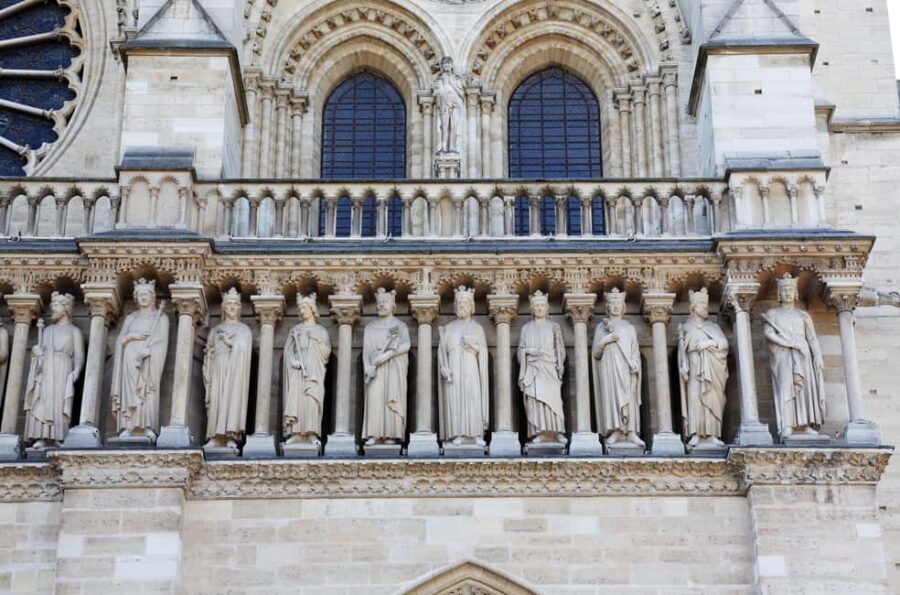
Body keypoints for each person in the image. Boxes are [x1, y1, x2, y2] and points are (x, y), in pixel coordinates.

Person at [762, 274, 826, 439]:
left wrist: (817, 355)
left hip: (803, 354)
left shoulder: (803, 315)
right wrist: (787, 343)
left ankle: (804, 425)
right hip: (783, 355)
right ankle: (787, 424)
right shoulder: (773, 313)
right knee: (786, 387)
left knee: (804, 389)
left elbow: (811, 338)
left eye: (790, 290)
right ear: (779, 294)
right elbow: (768, 333)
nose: (788, 293)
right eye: (784, 290)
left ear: (795, 293)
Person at [23, 292, 84, 447]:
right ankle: (41, 436)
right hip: (45, 369)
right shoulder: (47, 330)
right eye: (52, 306)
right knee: (43, 399)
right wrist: (36, 352)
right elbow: (39, 352)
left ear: (66, 308)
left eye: (56, 306)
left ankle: (59, 435)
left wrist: (76, 371)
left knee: (59, 401)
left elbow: (79, 356)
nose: (53, 309)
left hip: (63, 369)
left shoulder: (74, 331)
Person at [678, 288, 729, 449]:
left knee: (713, 398)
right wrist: (683, 365)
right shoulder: (686, 327)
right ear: (693, 307)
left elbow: (724, 344)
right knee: (695, 398)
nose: (705, 308)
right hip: (694, 366)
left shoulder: (713, 327)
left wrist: (709, 343)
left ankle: (713, 434)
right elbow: (682, 351)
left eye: (706, 305)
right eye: (701, 305)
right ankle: (696, 434)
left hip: (713, 368)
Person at [437, 286, 489, 446]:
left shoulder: (477, 328)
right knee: (455, 400)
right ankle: (457, 433)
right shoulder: (449, 328)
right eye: (459, 302)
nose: (461, 305)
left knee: (472, 398)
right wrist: (443, 368)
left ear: (471, 306)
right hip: (453, 368)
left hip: (470, 366)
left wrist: (474, 347)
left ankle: (474, 434)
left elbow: (483, 352)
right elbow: (441, 352)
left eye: (465, 302)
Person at [517, 291, 566, 444]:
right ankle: (540, 431)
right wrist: (527, 352)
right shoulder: (526, 328)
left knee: (554, 400)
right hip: (533, 369)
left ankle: (556, 432)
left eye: (541, 305)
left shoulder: (554, 326)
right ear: (532, 308)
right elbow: (520, 350)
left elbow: (560, 350)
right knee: (535, 400)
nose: (539, 308)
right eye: (536, 305)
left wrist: (559, 365)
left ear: (547, 307)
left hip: (549, 367)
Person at [283, 293, 331, 446]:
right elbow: (288, 352)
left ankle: (311, 433)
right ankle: (297, 433)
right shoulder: (295, 330)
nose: (302, 311)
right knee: (297, 401)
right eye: (300, 308)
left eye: (304, 307)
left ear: (312, 309)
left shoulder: (321, 331)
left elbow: (326, 353)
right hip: (298, 372)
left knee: (311, 401)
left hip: (314, 372)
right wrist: (293, 361)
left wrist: (315, 341)